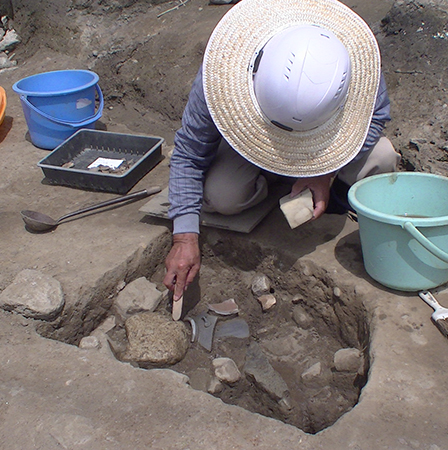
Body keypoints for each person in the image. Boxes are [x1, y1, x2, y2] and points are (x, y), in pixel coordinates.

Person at [163, 0, 401, 302]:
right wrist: (184, 236)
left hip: (323, 154)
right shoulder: (222, 71)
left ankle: (327, 201)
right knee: (223, 194)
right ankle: (275, 183)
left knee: (382, 157)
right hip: (249, 157)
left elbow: (376, 117)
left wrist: (323, 174)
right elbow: (189, 153)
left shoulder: (349, 65)